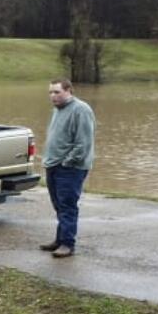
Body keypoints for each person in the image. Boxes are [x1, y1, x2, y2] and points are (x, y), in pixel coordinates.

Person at [39, 78, 96, 258]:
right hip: (53, 165)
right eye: (50, 92)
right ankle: (60, 238)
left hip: (70, 168)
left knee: (67, 206)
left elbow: (83, 143)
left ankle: (67, 244)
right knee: (59, 205)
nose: (53, 96)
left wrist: (68, 162)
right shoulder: (57, 110)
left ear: (69, 90)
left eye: (57, 92)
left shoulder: (81, 110)